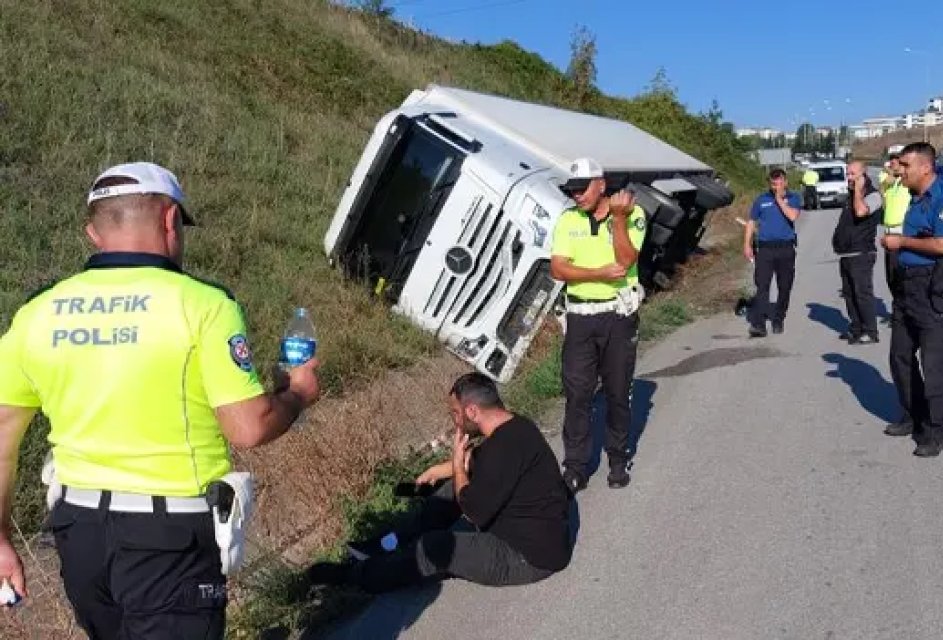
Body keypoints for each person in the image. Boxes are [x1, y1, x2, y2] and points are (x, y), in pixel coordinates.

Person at [0, 161, 321, 638]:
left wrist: (2, 539)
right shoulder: (203, 304)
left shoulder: (37, 311)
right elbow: (249, 426)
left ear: (94, 233)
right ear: (170, 220)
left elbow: (4, 428)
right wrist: (297, 393)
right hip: (168, 539)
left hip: (78, 534)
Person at [307, 373, 572, 592]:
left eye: (455, 413)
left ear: (472, 410)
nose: (454, 420)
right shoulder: (516, 427)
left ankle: (358, 576)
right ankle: (387, 544)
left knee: (435, 547)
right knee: (446, 495)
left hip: (529, 556)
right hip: (535, 533)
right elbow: (480, 460)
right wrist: (439, 470)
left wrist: (456, 464)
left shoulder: (502, 449)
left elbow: (474, 511)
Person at [549, 157, 646, 494]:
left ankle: (618, 458)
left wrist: (618, 219)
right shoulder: (568, 220)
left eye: (582, 188)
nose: (577, 196)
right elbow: (558, 269)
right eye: (571, 190)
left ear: (601, 184)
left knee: (618, 392)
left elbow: (625, 259)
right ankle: (574, 466)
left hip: (618, 316)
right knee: (577, 393)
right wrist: (598, 274)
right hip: (580, 317)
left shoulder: (632, 214)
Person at [880, 143, 943, 458]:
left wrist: (901, 241)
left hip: (934, 285)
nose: (900, 170)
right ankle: (911, 415)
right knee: (900, 356)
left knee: (934, 365)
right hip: (907, 288)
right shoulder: (914, 199)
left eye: (905, 165)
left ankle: (934, 430)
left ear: (925, 168)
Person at [743, 168, 802, 338]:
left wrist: (779, 200)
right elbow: (751, 222)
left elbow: (792, 216)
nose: (775, 186)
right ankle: (759, 325)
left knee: (785, 286)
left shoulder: (793, 198)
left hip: (785, 248)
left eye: (778, 183)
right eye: (773, 183)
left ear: (785, 182)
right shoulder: (761, 200)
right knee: (762, 285)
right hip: (765, 248)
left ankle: (778, 318)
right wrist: (747, 245)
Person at [831, 161, 883, 344]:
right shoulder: (851, 196)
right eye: (848, 174)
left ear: (864, 175)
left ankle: (870, 330)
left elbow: (861, 212)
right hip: (846, 254)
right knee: (849, 294)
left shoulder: (872, 195)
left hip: (862, 253)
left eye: (853, 174)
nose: (849, 178)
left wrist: (859, 190)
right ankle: (856, 327)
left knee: (862, 294)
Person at [880, 154, 911, 327]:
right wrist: (890, 173)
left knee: (901, 276)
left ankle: (903, 313)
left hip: (902, 231)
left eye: (897, 162)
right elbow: (884, 185)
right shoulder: (891, 182)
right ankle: (899, 309)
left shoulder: (907, 183)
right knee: (891, 276)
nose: (893, 164)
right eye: (891, 161)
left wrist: (895, 172)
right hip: (889, 230)